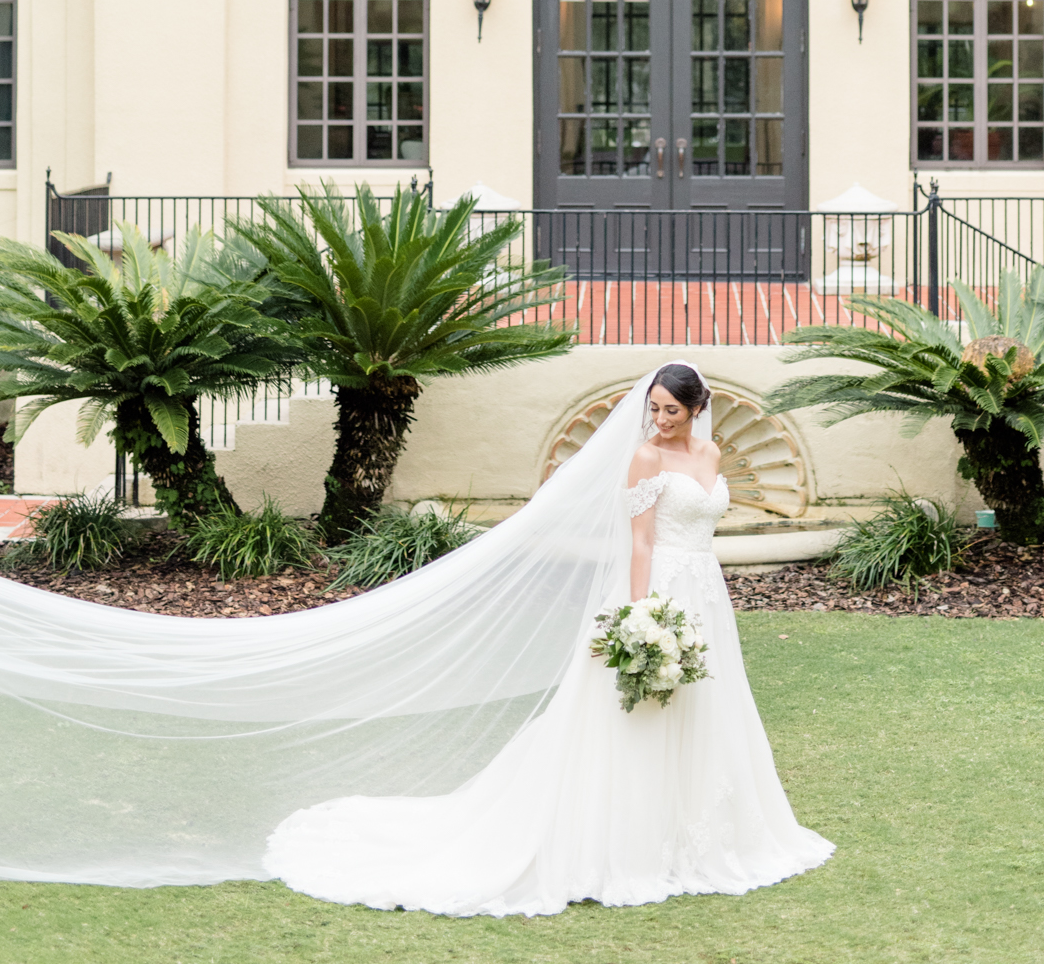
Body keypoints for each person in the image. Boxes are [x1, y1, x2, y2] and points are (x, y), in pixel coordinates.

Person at [263, 360, 832, 914]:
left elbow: (700, 524)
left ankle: (700, 833)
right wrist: (643, 616)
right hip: (657, 591)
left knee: (705, 704)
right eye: (654, 408)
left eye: (672, 411)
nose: (660, 419)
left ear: (698, 408)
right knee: (635, 714)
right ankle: (621, 837)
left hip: (705, 591)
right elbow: (641, 543)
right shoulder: (645, 457)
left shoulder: (709, 453)